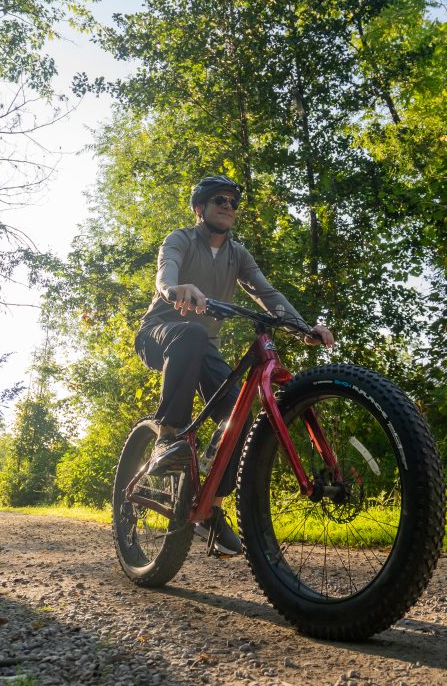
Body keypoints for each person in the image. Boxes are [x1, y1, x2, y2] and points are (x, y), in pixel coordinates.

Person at [134, 174, 335, 556]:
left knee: (239, 415)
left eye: (233, 202)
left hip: (204, 348)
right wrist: (175, 290)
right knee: (191, 333)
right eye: (219, 200)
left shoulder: (237, 254)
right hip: (160, 333)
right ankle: (167, 438)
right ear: (200, 209)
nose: (228, 206)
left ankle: (210, 508)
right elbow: (166, 272)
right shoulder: (180, 239)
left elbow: (266, 291)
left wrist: (303, 328)